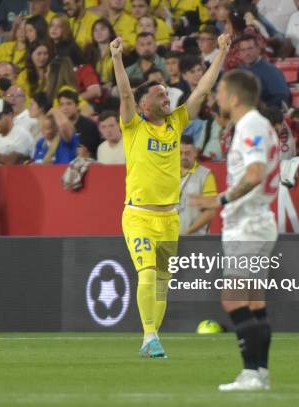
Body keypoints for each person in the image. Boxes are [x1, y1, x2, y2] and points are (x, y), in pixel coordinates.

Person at [112, 32, 230, 358]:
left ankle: (151, 339)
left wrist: (220, 53)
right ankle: (150, 335)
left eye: (167, 92)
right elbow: (124, 93)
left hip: (169, 218)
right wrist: (117, 58)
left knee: (162, 282)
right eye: (160, 94)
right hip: (139, 215)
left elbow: (203, 89)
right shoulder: (133, 125)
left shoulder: (176, 123)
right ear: (143, 105)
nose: (167, 97)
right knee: (147, 274)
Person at [189, 69, 280, 391]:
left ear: (234, 96)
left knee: (232, 299)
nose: (217, 98)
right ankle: (260, 372)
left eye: (221, 92)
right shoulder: (259, 124)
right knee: (255, 303)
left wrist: (220, 199)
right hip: (257, 223)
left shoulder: (250, 125)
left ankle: (251, 374)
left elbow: (255, 173)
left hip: (248, 225)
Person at [237, 35, 290, 108]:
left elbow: (282, 98)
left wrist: (262, 107)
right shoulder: (239, 70)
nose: (247, 53)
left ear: (258, 49)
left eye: (250, 49)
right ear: (239, 53)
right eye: (243, 50)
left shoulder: (271, 71)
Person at [178, 135, 217, 235]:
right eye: (180, 153)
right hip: (170, 239)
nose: (183, 157)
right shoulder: (168, 174)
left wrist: (187, 233)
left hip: (195, 239)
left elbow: (210, 212)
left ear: (195, 153)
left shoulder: (205, 175)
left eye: (187, 153)